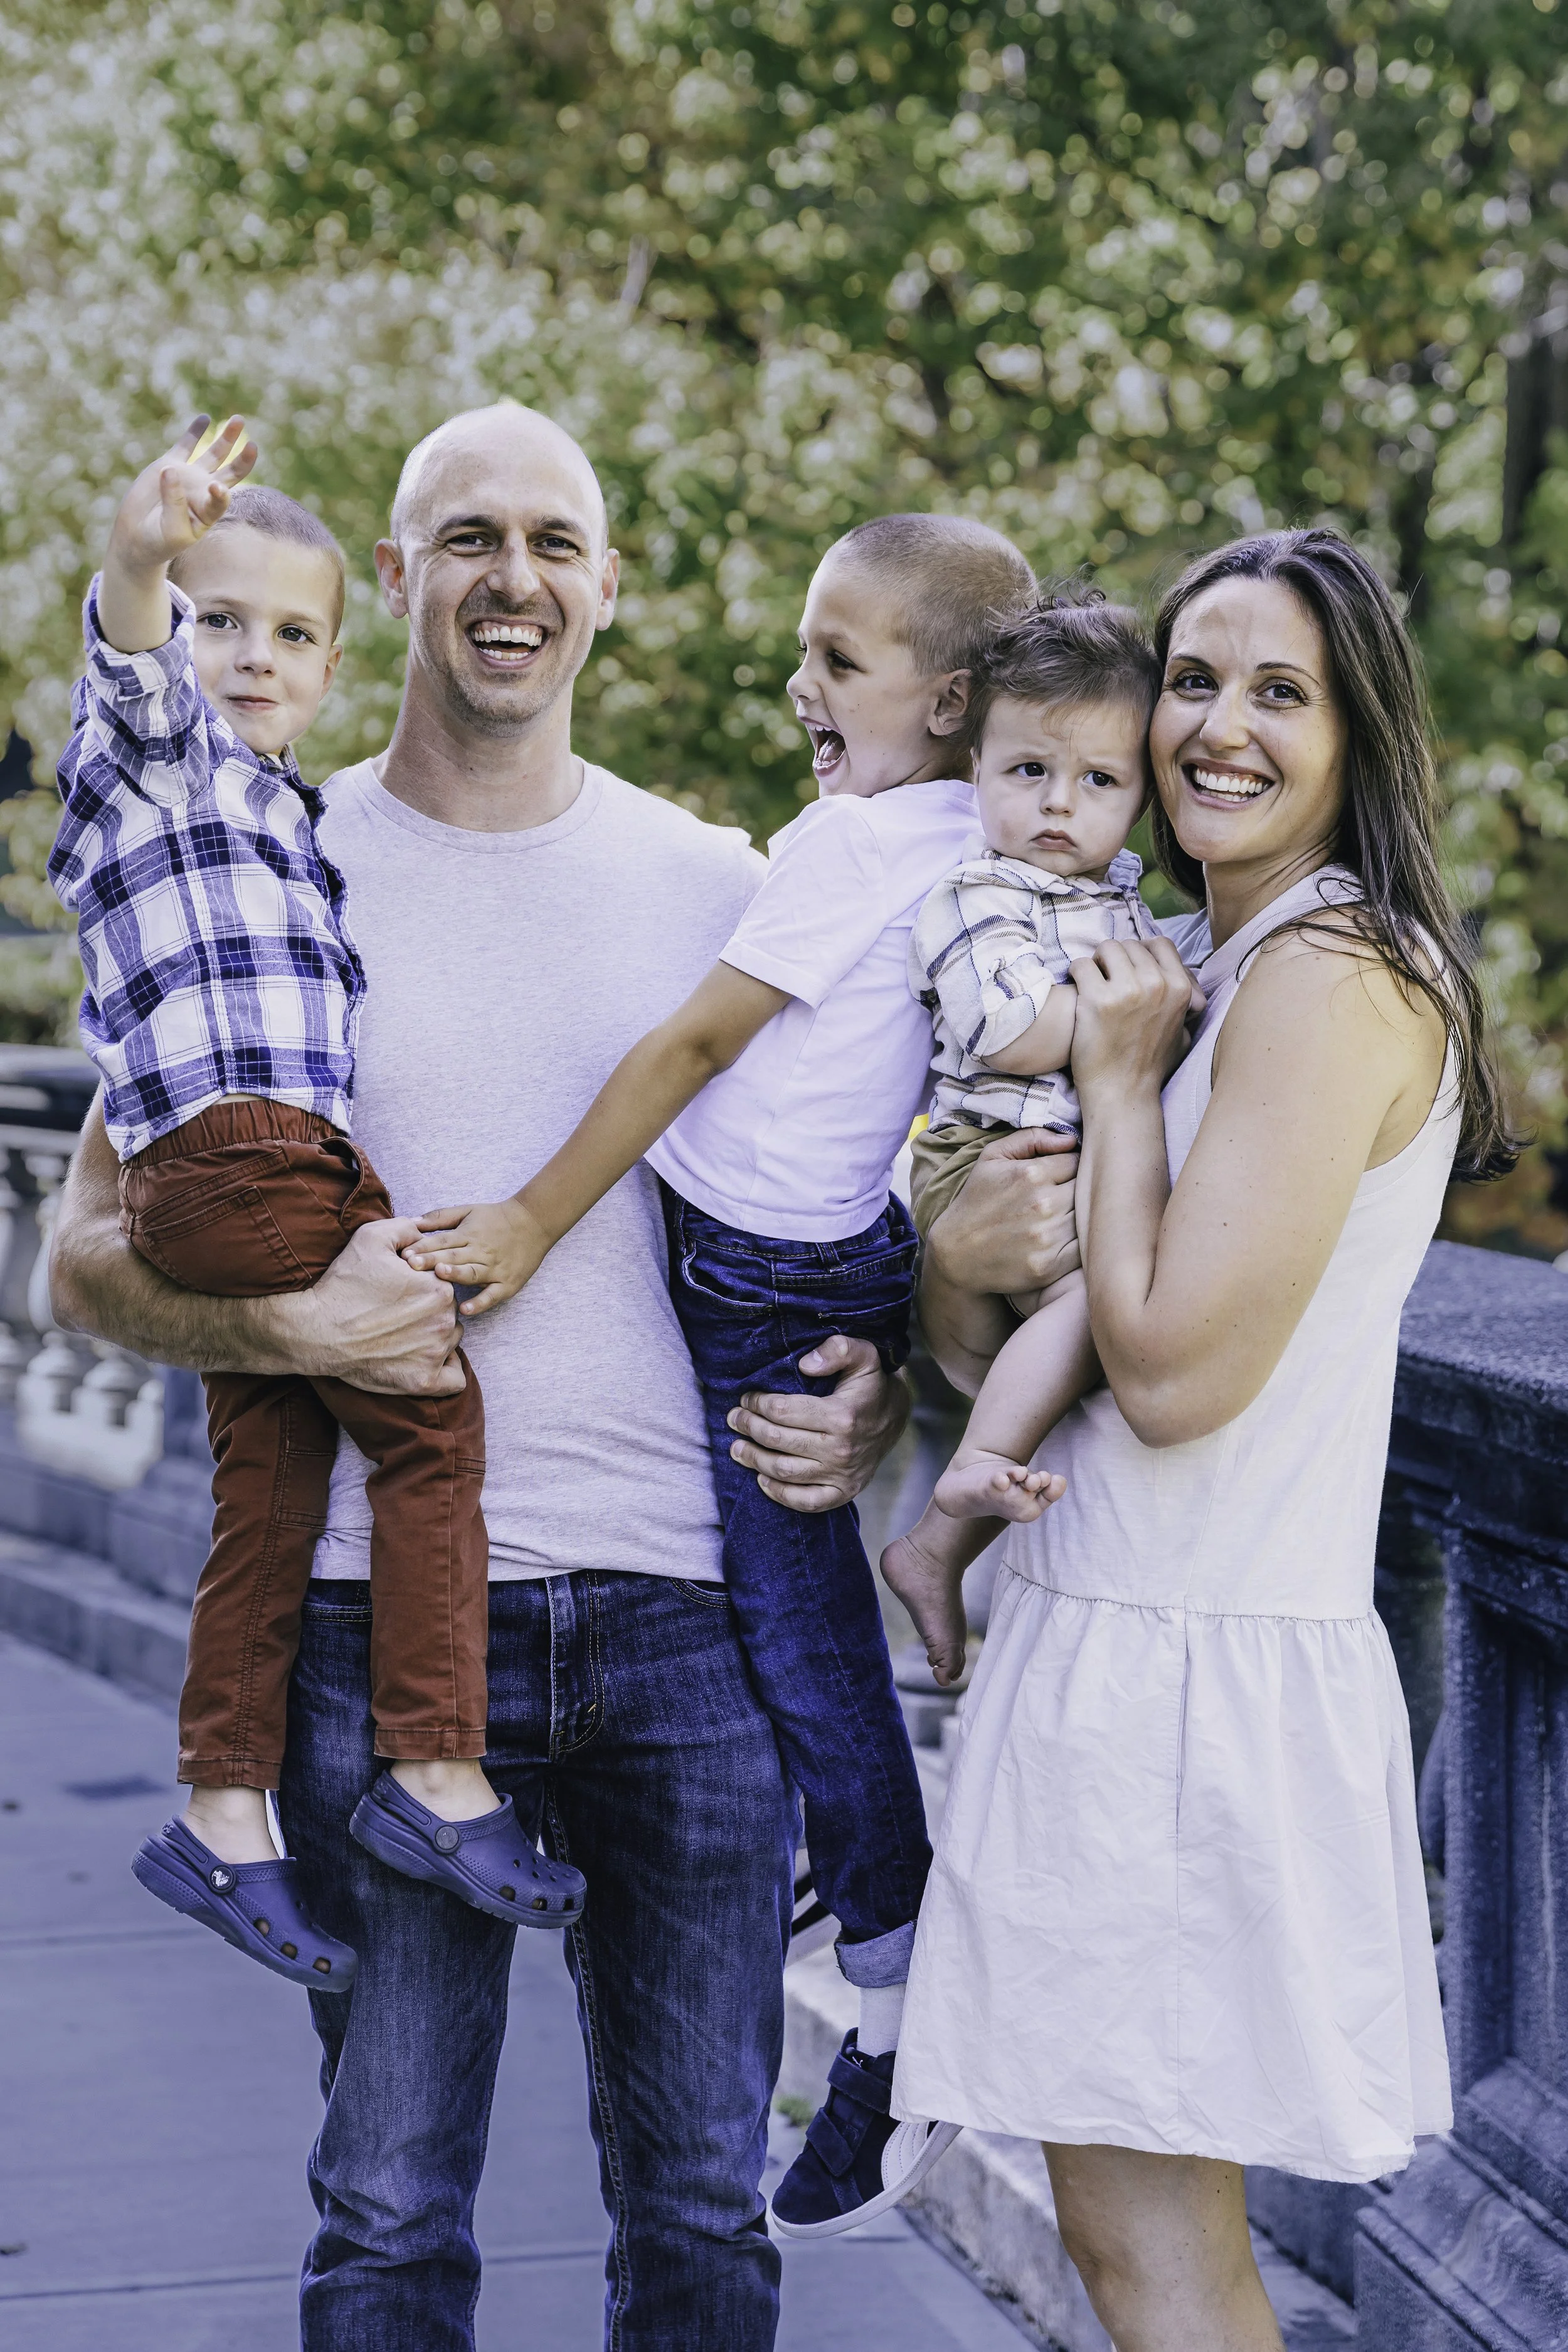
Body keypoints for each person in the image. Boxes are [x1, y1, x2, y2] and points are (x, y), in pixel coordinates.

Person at [49, 403, 1072, 2351]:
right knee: (386, 2216)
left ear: (605, 588)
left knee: (701, 2216)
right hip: (367, 1628)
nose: (513, 577)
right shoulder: (261, 840)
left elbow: (859, 1207)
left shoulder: (736, 880)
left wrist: (870, 1391)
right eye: (466, 538)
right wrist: (285, 1327)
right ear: (395, 582)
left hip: (693, 1627)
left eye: (554, 541)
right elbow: (79, 1255)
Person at [894, 527, 1515, 2352]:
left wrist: (1103, 1090)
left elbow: (1168, 1374)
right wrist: (954, 1248)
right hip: (1107, 1635)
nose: (1215, 725)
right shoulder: (1182, 956)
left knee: (1159, 2258)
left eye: (1277, 689)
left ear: (1355, 732)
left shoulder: (1331, 978)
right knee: (1125, 2240)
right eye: (1189, 676)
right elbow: (987, 1332)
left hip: (1196, 1667)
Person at [395, 509, 1037, 2237]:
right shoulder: (970, 848)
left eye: (838, 658)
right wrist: (895, 1325)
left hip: (760, 1278)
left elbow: (689, 1046)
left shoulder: (853, 850)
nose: (797, 684)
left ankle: (900, 1997)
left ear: (956, 695)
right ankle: (862, 1903)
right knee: (790, 1623)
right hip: (812, 1259)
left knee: (802, 1624)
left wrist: (532, 1217)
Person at [48, 416, 581, 1989]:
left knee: (265, 1503)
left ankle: (223, 1814)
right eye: (219, 621)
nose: (249, 657)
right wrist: (145, 553)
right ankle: (434, 1772)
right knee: (427, 1408)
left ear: (339, 663)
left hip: (265, 1163)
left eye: (290, 634)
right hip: (237, 1158)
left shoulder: (294, 823)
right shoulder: (158, 772)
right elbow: (133, 663)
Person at [884, 593, 1205, 1685]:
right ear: (976, 766)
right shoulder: (978, 890)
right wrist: (1130, 1018)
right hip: (982, 1151)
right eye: (1028, 772)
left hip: (1061, 1163)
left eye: (1100, 781)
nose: (1059, 806)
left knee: (1104, 1318)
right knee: (1096, 1308)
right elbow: (1008, 1028)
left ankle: (950, 1533)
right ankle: (951, 1507)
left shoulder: (1122, 897)